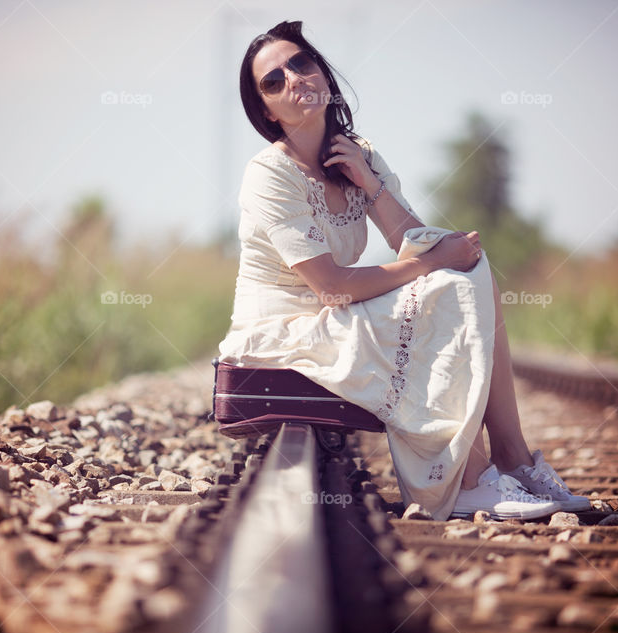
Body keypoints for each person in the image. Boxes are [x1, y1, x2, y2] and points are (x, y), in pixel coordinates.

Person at [217, 20, 590, 521]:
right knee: (447, 285)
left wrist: (369, 183)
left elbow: (412, 241)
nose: (293, 79)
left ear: (322, 73)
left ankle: (513, 458)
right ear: (266, 109)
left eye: (300, 63)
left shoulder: (359, 154)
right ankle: (465, 482)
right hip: (282, 334)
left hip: (330, 321)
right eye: (273, 80)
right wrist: (431, 263)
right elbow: (331, 285)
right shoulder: (269, 174)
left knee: (472, 273)